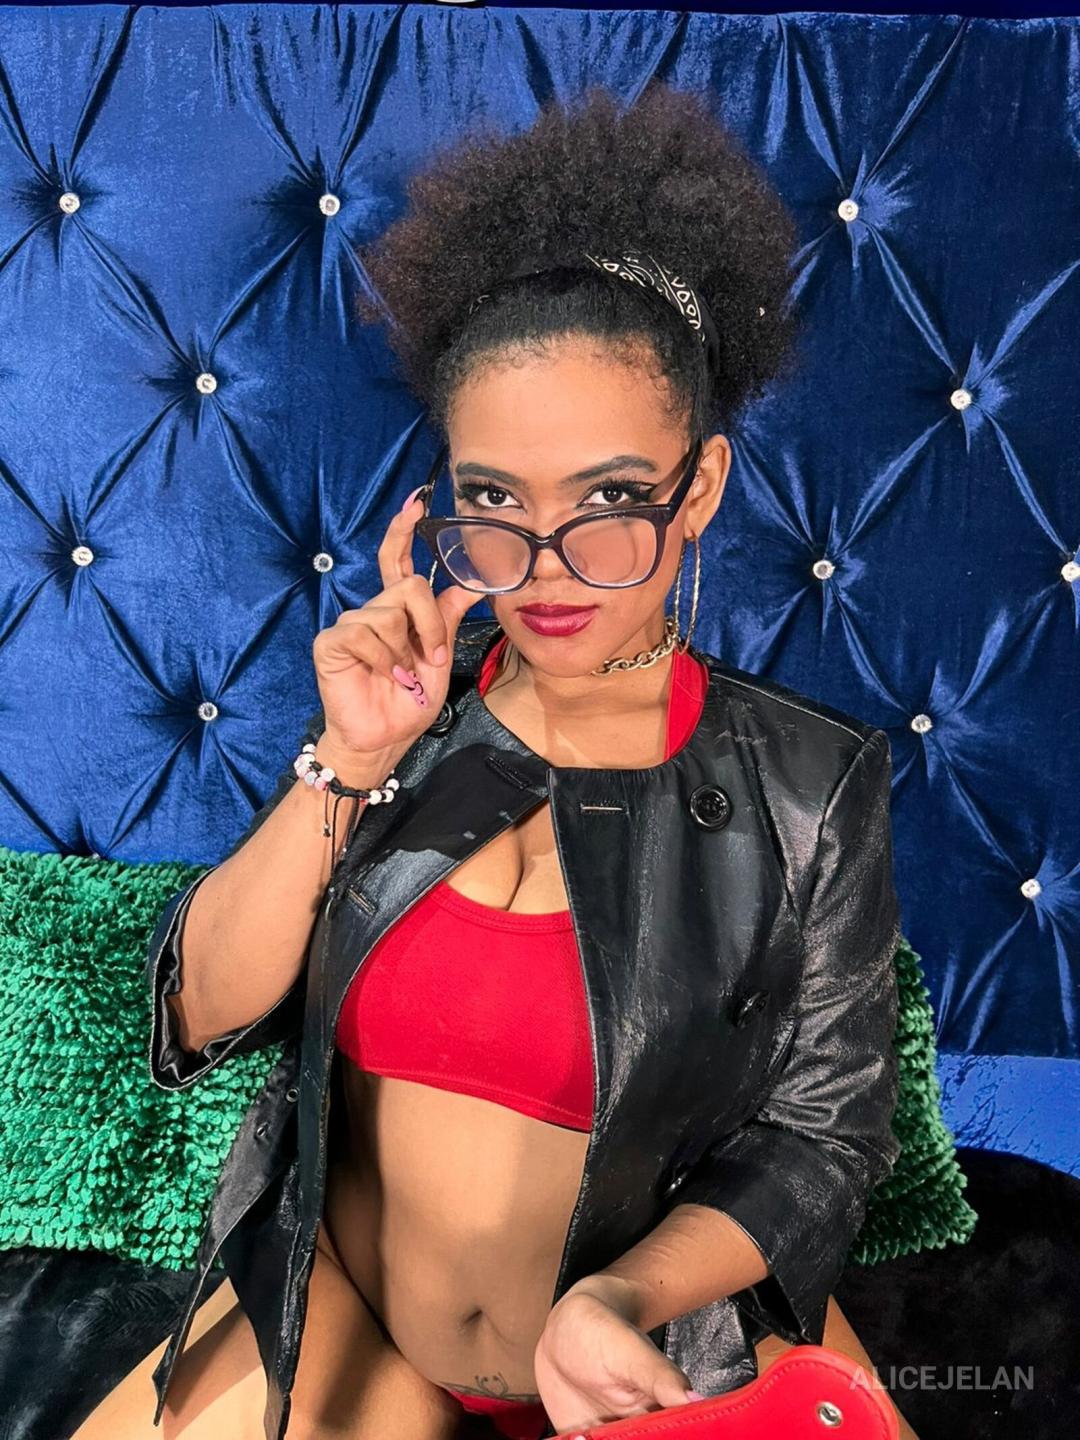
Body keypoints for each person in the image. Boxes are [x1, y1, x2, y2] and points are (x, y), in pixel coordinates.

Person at [74, 83, 918, 1440]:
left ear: (698, 488)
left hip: (652, 1349)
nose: (546, 570)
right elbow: (199, 1018)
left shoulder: (810, 786)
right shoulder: (404, 708)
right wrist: (350, 759)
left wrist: (620, 1298)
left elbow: (826, 1136)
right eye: (493, 502)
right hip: (355, 1324)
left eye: (611, 501)